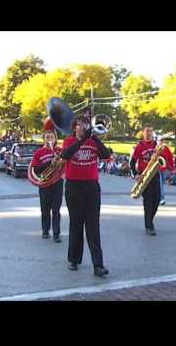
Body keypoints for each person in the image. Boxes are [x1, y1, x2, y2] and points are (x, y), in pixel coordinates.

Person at [61, 116, 112, 277]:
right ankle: (74, 260)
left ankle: (98, 265)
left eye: (85, 125)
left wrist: (95, 139)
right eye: (79, 125)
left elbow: (105, 155)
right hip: (73, 186)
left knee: (93, 226)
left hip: (91, 187)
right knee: (76, 224)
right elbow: (66, 155)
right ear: (74, 128)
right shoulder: (69, 141)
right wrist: (82, 140)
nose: (82, 127)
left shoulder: (93, 141)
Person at [130, 125, 173, 236]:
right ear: (143, 133)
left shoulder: (156, 145)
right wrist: (135, 174)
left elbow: (163, 158)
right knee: (148, 202)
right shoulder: (139, 146)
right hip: (144, 176)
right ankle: (149, 225)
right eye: (147, 131)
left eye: (151, 131)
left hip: (155, 175)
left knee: (157, 199)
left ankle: (150, 220)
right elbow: (132, 162)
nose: (149, 133)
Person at [30, 121, 63, 242]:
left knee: (56, 209)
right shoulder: (39, 152)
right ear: (44, 138)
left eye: (52, 137)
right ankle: (45, 230)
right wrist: (50, 162)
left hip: (57, 183)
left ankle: (56, 234)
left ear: (55, 138)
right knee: (45, 209)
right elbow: (37, 169)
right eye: (47, 137)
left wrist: (58, 160)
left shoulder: (59, 151)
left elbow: (65, 164)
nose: (50, 139)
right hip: (44, 183)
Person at [156, 136, 174, 205]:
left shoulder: (166, 148)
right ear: (157, 141)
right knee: (160, 184)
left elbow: (170, 158)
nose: (161, 141)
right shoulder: (155, 148)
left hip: (164, 168)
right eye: (160, 140)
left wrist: (172, 168)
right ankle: (161, 198)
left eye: (162, 140)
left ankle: (158, 197)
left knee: (162, 183)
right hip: (156, 169)